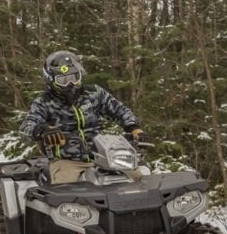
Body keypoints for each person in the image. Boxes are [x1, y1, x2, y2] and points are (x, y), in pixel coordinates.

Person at [20, 50, 147, 184]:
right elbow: (27, 126)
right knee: (66, 191)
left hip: (103, 156)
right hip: (67, 161)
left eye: (74, 77)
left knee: (139, 178)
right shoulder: (44, 102)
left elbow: (119, 110)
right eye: (63, 80)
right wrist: (43, 130)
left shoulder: (94, 93)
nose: (70, 84)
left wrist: (133, 127)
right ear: (51, 80)